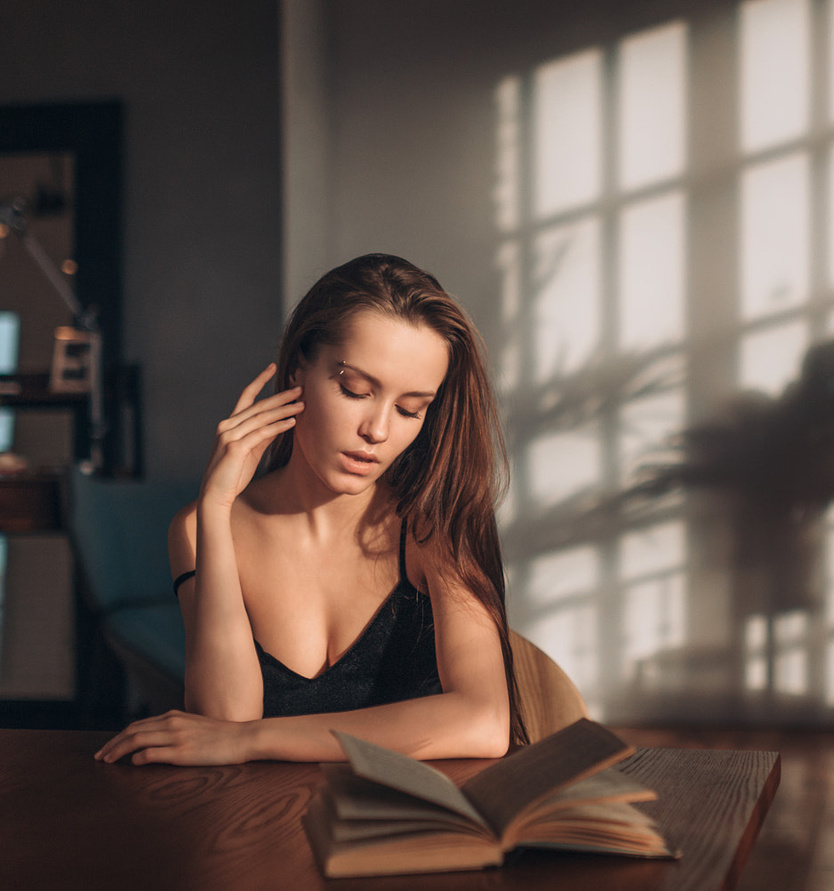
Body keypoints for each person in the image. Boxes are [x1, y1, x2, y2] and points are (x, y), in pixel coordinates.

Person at [95, 254, 528, 766]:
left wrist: (256, 740)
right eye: (355, 391)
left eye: (411, 408)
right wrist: (216, 507)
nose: (379, 431)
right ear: (299, 367)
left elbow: (484, 721)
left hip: (417, 832)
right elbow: (222, 720)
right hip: (264, 828)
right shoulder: (199, 528)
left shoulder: (435, 524)